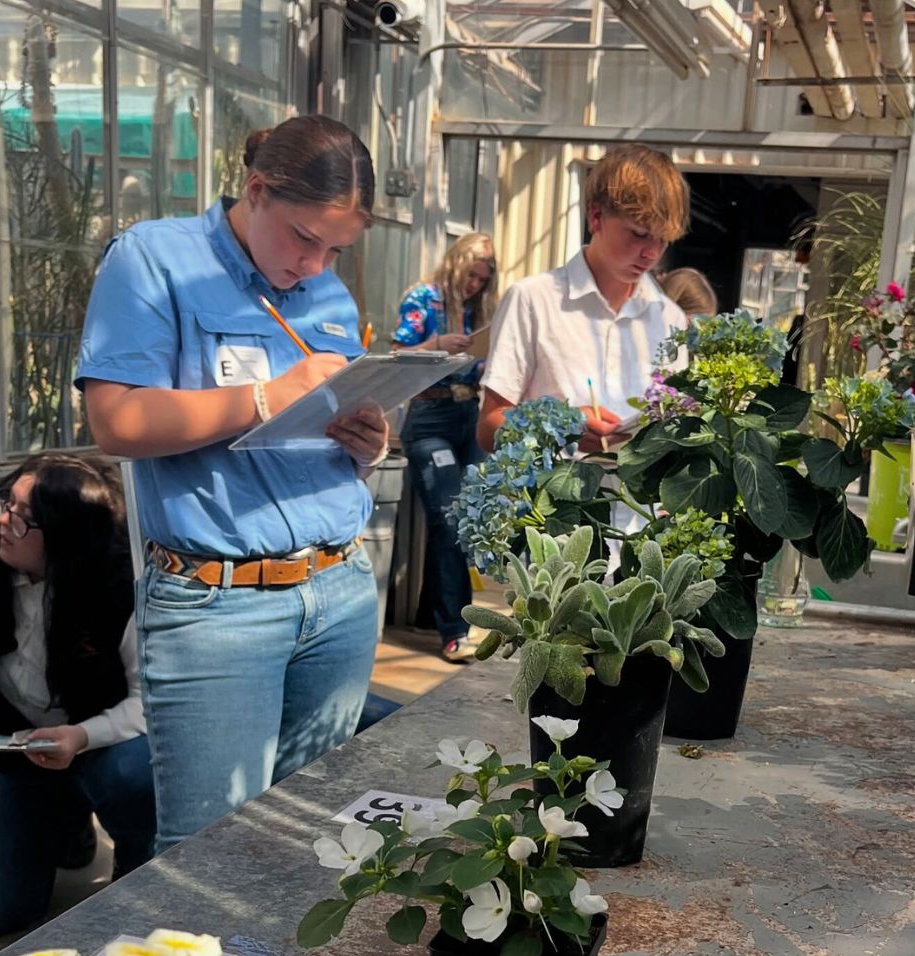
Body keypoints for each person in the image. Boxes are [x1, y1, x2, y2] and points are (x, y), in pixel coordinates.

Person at [76, 114, 387, 851]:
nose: (316, 265)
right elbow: (116, 421)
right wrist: (264, 397)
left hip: (339, 590)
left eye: (337, 249)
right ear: (255, 190)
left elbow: (327, 423)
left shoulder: (329, 297)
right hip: (217, 607)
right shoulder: (155, 260)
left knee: (316, 843)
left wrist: (368, 442)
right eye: (305, 238)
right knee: (208, 858)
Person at [0, 454, 155, 938]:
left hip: (102, 744)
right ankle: (64, 822)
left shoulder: (121, 587)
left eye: (23, 517)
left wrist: (81, 736)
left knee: (133, 772)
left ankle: (141, 859)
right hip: (17, 751)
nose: (3, 520)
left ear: (66, 535)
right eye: (5, 502)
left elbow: (151, 701)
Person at [478, 144, 689, 557]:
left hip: (644, 542)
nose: (650, 253)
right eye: (639, 234)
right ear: (596, 216)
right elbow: (488, 427)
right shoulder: (533, 300)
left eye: (662, 240)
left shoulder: (670, 319)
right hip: (554, 542)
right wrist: (565, 427)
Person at [392, 233, 498, 662]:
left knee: (469, 517)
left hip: (467, 413)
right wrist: (437, 345)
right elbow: (398, 355)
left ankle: (432, 611)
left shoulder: (477, 310)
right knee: (450, 517)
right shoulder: (423, 297)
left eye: (483, 279)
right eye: (471, 275)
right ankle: (454, 629)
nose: (475, 285)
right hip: (430, 414)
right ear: (456, 265)